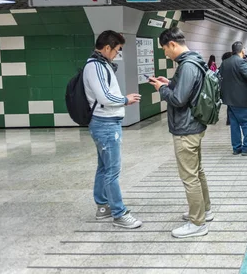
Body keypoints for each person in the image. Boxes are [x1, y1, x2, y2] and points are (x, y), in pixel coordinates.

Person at [149, 27, 212, 239]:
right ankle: (205, 211)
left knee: (189, 177)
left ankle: (197, 223)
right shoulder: (196, 60)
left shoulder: (187, 66)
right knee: (198, 172)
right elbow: (186, 90)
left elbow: (178, 100)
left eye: (165, 49)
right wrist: (169, 83)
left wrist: (161, 89)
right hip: (196, 124)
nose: (165, 54)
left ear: (172, 44)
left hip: (186, 128)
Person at [83, 30, 142, 229]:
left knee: (104, 168)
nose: (117, 54)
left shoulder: (99, 64)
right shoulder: (96, 66)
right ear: (107, 47)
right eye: (117, 50)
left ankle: (102, 206)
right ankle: (119, 213)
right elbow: (105, 98)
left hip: (104, 123)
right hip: (106, 124)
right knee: (112, 171)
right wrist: (126, 100)